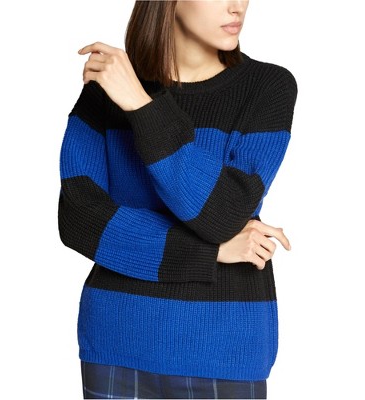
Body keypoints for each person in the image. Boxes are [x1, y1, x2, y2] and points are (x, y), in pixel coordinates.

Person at [58, 1, 297, 398]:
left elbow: (222, 213)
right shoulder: (106, 91)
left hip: (224, 346)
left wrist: (142, 106)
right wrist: (210, 252)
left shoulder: (268, 86)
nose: (237, 6)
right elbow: (79, 220)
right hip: (118, 337)